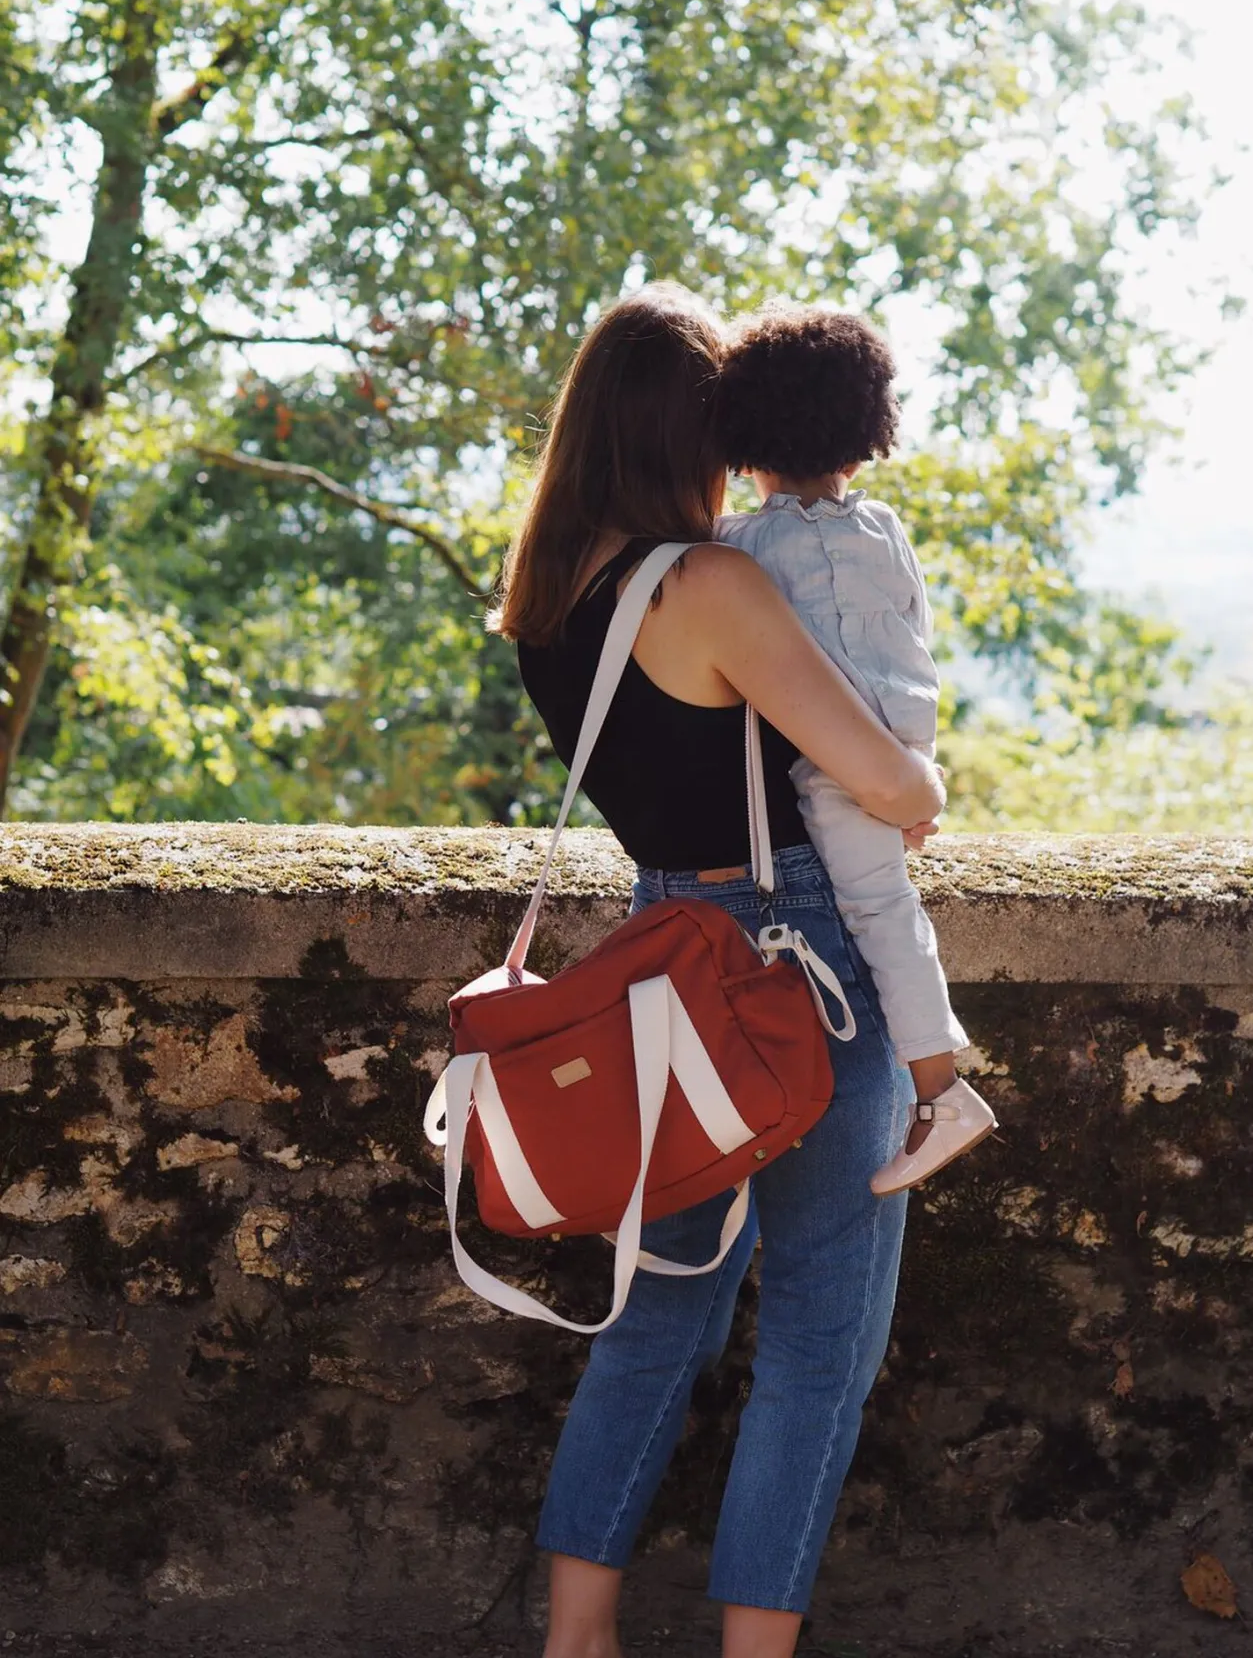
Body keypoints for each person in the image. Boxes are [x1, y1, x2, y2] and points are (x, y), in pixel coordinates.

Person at [490, 282, 945, 1658]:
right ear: (697, 426)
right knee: (818, 1337)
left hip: (656, 956)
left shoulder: (552, 596)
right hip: (795, 965)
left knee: (654, 1316)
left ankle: (578, 1637)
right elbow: (887, 784)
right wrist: (920, 768)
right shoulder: (712, 584)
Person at [714, 303, 997, 1194]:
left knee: (879, 914)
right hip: (896, 750)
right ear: (864, 428)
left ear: (745, 434)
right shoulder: (883, 530)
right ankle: (937, 1090)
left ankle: (940, 1091)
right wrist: (913, 771)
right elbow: (916, 639)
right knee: (887, 904)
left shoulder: (739, 548)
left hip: (831, 770)